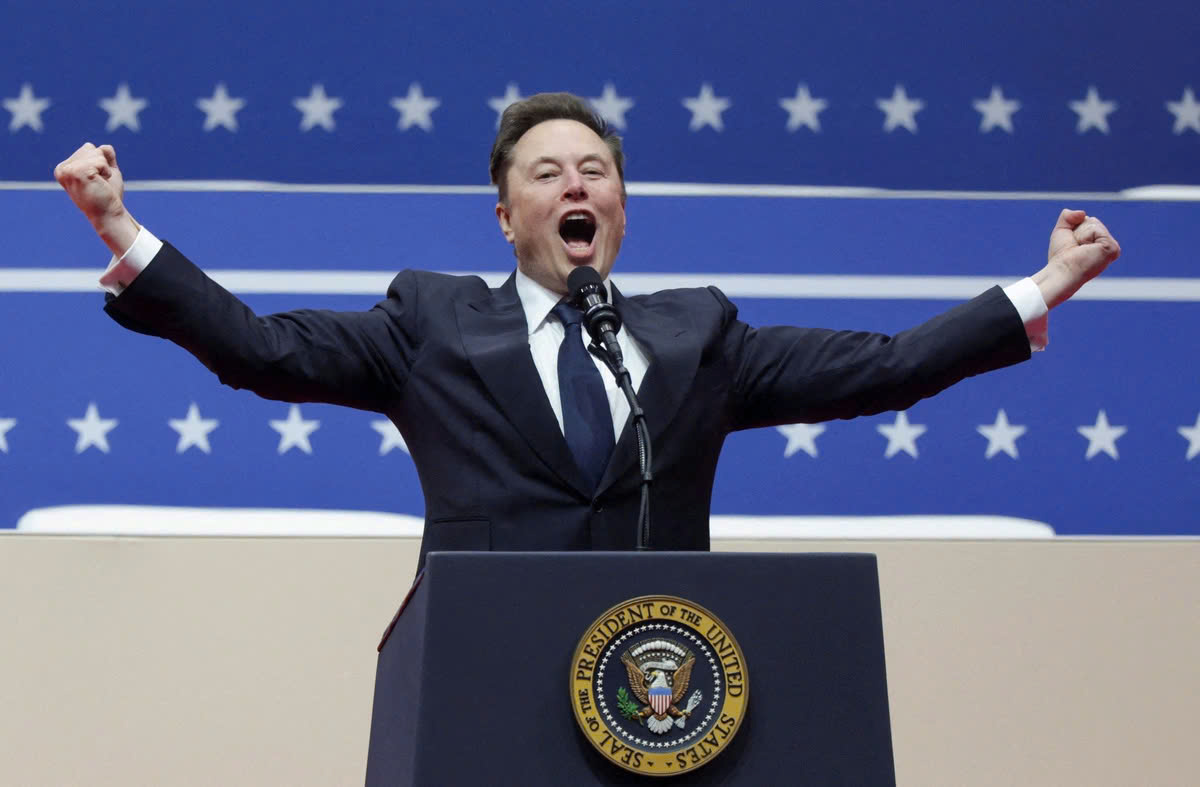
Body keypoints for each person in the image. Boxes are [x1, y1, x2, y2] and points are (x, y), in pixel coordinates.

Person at [54, 92, 1120, 568]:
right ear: (504, 215)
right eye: (549, 173)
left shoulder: (698, 334)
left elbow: (881, 369)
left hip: (662, 680)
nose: (577, 186)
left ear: (619, 206)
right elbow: (260, 350)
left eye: (596, 171)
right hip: (482, 674)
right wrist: (121, 229)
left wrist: (1043, 285)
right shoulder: (428, 322)